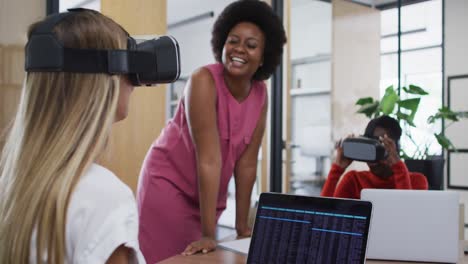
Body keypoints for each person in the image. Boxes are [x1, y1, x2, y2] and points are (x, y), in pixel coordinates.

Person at [136, 0, 287, 262]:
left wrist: (242, 226)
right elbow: (209, 159)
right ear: (222, 43)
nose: (239, 49)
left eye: (251, 45)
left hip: (205, 196)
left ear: (264, 57)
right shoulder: (203, 81)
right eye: (233, 41)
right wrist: (209, 233)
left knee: (203, 258)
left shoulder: (261, 95)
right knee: (176, 258)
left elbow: (247, 165)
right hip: (168, 186)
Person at [0, 10, 145, 263]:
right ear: (103, 82)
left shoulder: (12, 183)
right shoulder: (104, 197)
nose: (134, 82)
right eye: (129, 67)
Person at [321, 115, 428, 199]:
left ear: (395, 148)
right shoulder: (353, 180)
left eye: (380, 147)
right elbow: (323, 217)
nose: (373, 160)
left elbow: (409, 218)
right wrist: (337, 170)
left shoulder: (416, 182)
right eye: (369, 148)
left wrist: (398, 166)